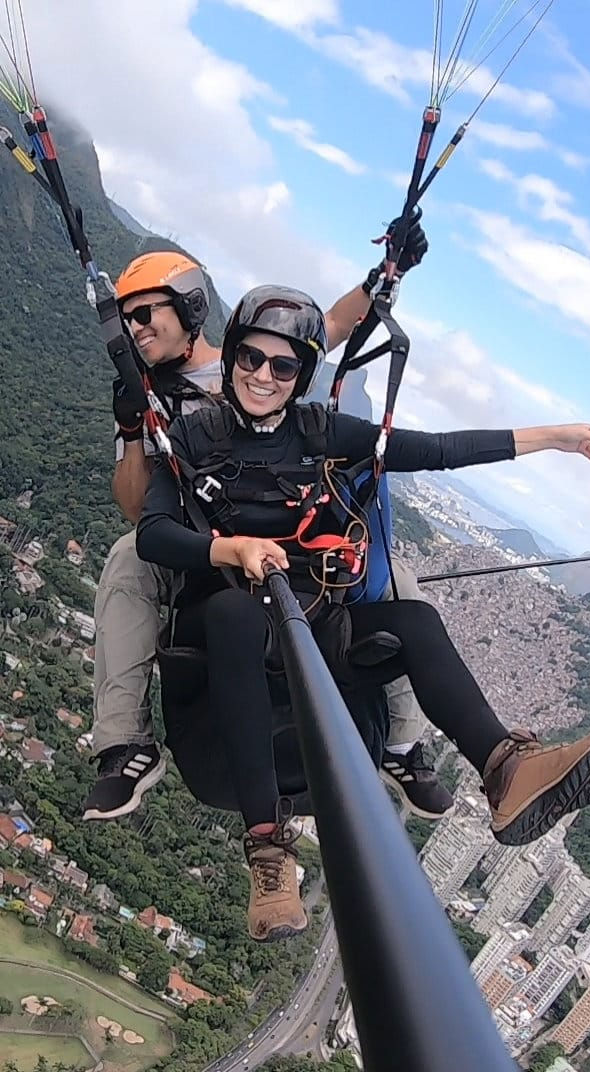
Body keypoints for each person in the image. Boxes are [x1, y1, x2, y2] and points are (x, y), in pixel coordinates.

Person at [135, 284, 590, 942]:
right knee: (232, 612)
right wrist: (228, 547)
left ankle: (505, 770)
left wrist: (551, 437)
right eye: (250, 358)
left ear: (302, 373)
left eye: (283, 366)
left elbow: (435, 450)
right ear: (231, 360)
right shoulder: (194, 439)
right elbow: (154, 533)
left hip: (311, 621)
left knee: (415, 623)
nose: (262, 375)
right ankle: (268, 855)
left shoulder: (323, 435)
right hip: (223, 627)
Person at [83, 228, 449, 822]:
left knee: (395, 572)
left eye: (146, 314)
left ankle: (404, 744)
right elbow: (136, 510)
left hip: (294, 548)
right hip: (213, 555)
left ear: (189, 308)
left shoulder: (256, 360)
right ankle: (124, 742)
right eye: (128, 323)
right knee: (129, 555)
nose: (137, 330)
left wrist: (390, 271)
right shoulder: (148, 400)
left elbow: (331, 326)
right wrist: (130, 432)